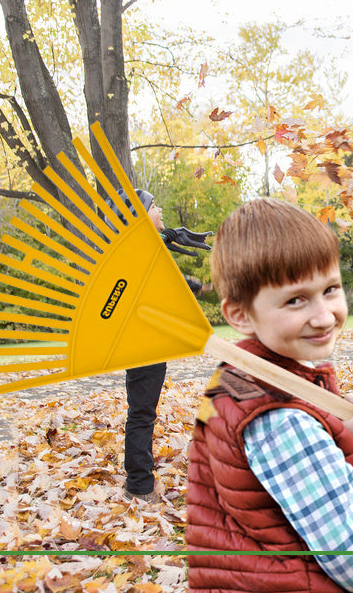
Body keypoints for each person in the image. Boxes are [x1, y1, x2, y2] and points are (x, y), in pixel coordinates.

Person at [187, 197, 353, 593]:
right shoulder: (275, 415)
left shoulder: (258, 379)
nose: (325, 316)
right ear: (240, 314)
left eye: (330, 289)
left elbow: (324, 505)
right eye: (295, 300)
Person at [115, 188, 212, 503]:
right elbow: (164, 283)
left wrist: (167, 238)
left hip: (147, 342)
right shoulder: (137, 251)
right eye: (154, 205)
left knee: (143, 412)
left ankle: (140, 478)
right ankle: (139, 487)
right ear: (140, 216)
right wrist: (196, 285)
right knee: (142, 413)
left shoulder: (140, 247)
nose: (160, 210)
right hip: (144, 344)